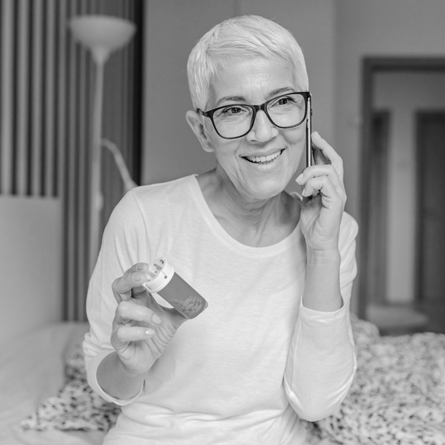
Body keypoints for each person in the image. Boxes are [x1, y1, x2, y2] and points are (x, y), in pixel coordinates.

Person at [83, 14, 358, 445]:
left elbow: (317, 402)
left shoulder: (334, 231)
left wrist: (322, 250)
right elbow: (106, 380)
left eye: (283, 102)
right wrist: (129, 367)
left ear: (306, 113)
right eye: (233, 110)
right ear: (203, 131)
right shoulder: (142, 215)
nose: (263, 133)